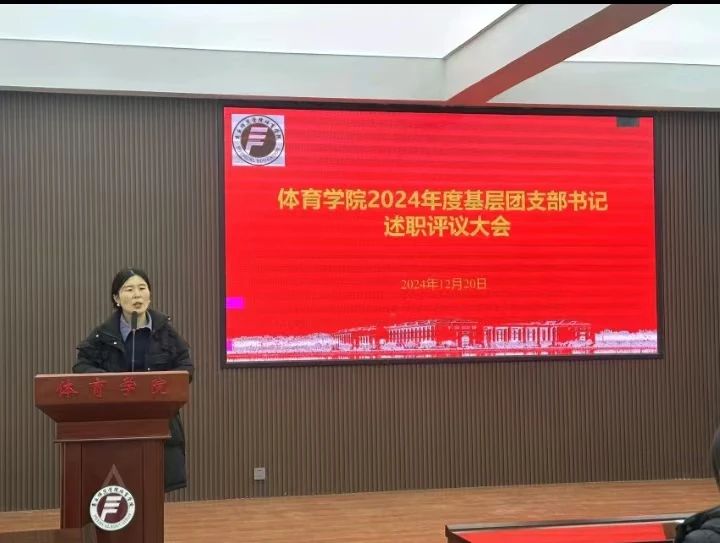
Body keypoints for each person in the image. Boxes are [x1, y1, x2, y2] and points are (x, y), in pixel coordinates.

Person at [73, 267, 194, 493]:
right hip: (115, 421)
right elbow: (81, 365)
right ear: (116, 298)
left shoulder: (165, 332)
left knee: (151, 488)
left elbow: (185, 366)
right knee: (118, 486)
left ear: (150, 294)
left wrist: (165, 386)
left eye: (142, 288)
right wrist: (111, 384)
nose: (137, 295)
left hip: (158, 420)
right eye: (129, 289)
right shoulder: (103, 334)